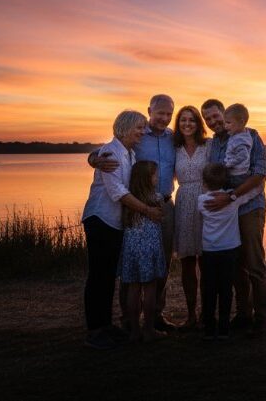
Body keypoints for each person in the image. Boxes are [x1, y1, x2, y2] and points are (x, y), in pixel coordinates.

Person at [89, 94, 177, 332]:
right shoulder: (137, 135)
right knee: (130, 264)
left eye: (169, 113)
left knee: (162, 262)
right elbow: (109, 148)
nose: (165, 118)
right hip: (135, 207)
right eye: (160, 113)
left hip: (165, 205)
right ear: (150, 111)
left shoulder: (174, 138)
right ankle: (128, 321)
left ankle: (155, 316)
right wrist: (93, 158)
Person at [81, 110, 161, 350]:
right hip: (100, 218)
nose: (143, 132)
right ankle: (95, 331)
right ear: (125, 127)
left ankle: (105, 325)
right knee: (98, 276)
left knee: (108, 276)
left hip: (115, 222)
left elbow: (134, 186)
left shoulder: (130, 154)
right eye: (139, 127)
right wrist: (148, 211)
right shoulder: (110, 152)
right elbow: (117, 192)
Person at [200, 99, 266, 337]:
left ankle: (261, 318)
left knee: (254, 264)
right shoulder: (212, 145)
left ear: (224, 113)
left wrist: (231, 197)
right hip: (226, 212)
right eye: (207, 119)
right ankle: (243, 315)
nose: (212, 121)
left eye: (215, 116)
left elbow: (261, 173)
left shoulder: (250, 135)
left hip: (249, 206)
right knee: (235, 267)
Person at [172, 105, 211, 330]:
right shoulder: (173, 147)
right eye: (183, 120)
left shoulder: (209, 146)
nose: (187, 124)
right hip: (184, 199)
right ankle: (191, 314)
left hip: (205, 201)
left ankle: (207, 313)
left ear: (198, 124)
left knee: (206, 260)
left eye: (192, 120)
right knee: (187, 261)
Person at [119, 160, 167, 343]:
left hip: (132, 248)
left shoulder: (129, 200)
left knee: (133, 288)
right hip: (149, 248)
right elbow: (160, 218)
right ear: (147, 179)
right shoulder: (156, 199)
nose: (157, 178)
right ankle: (148, 330)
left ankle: (134, 331)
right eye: (155, 175)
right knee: (150, 288)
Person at [197, 163, 240, 340]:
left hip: (209, 250)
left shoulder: (201, 200)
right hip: (229, 249)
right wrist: (231, 194)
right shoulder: (233, 200)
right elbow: (250, 192)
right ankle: (224, 327)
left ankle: (208, 327)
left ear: (204, 183)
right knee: (226, 289)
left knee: (209, 288)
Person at [223, 103, 252, 182]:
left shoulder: (240, 140)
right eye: (225, 123)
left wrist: (229, 164)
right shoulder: (239, 135)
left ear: (241, 122)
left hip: (238, 174)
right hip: (237, 172)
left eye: (228, 123)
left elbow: (243, 155)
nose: (225, 126)